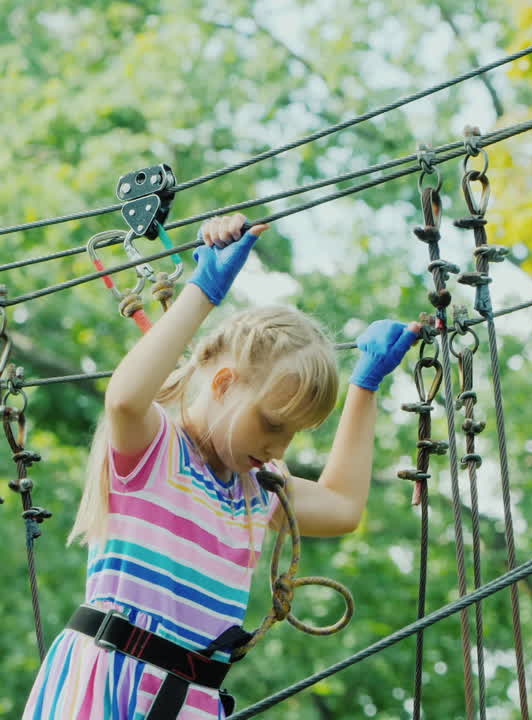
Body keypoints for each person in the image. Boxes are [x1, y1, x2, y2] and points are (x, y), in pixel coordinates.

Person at [23, 214, 421, 720]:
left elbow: (343, 507)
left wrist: (366, 387)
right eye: (272, 423)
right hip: (108, 685)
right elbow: (123, 400)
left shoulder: (256, 490)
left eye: (295, 433)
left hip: (189, 701)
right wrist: (203, 289)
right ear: (223, 384)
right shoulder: (156, 449)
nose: (280, 444)